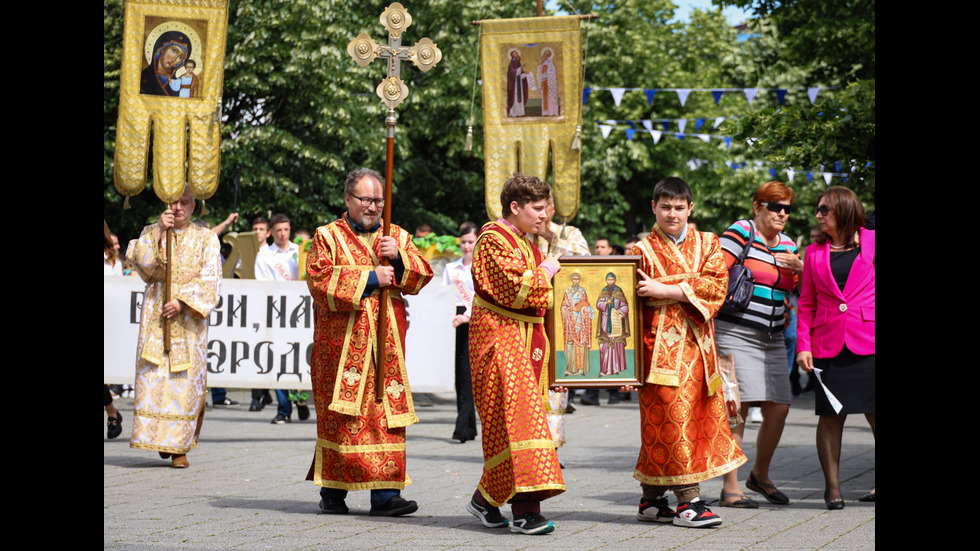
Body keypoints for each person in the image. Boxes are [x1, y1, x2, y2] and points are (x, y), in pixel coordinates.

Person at [305, 168, 433, 516]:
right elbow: (318, 280)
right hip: (341, 346)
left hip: (386, 348)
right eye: (366, 199)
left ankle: (386, 495)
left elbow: (421, 277)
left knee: (386, 415)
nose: (374, 207)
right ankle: (333, 491)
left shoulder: (397, 236)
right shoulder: (327, 236)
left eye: (379, 200)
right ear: (348, 200)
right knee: (342, 418)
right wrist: (370, 277)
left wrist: (402, 258)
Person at [624, 177, 745, 528]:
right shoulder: (640, 250)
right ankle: (689, 501)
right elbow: (629, 308)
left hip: (700, 351)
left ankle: (651, 500)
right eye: (665, 207)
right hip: (657, 353)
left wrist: (665, 288)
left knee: (690, 424)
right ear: (654, 208)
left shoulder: (709, 243)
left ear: (690, 209)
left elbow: (716, 287)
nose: (672, 214)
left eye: (679, 208)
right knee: (668, 423)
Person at [467, 173, 564, 535]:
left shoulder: (525, 242)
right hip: (499, 343)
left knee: (514, 426)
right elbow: (516, 289)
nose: (544, 215)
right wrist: (547, 269)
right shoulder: (492, 239)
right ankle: (526, 511)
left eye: (545, 208)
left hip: (523, 343)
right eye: (537, 209)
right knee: (521, 425)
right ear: (515, 207)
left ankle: (484, 500)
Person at [715, 181, 803, 508]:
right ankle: (730, 487)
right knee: (737, 407)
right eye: (774, 205)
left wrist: (801, 270)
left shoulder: (789, 245)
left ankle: (760, 475)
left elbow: (796, 290)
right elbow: (715, 271)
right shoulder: (742, 231)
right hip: (734, 331)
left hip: (773, 338)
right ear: (757, 206)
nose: (781, 213)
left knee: (779, 406)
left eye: (786, 208)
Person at [127, 188, 221, 468]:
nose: (178, 208)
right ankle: (158, 438)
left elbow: (211, 278)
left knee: (185, 383)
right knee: (155, 378)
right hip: (156, 316)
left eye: (184, 203)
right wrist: (158, 230)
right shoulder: (153, 230)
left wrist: (182, 301)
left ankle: (179, 447)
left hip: (188, 321)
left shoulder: (206, 237)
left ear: (194, 207)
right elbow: (140, 262)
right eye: (174, 203)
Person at [795, 186, 875, 509]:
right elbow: (806, 302)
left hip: (869, 341)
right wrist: (803, 346)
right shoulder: (814, 253)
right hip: (827, 344)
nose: (818, 215)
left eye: (824, 209)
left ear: (843, 210)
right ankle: (833, 489)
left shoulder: (873, 242)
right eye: (818, 209)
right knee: (830, 416)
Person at [254, 213, 308, 423]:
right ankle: (284, 409)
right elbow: (262, 285)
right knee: (278, 360)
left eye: (286, 229)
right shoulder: (265, 255)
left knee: (300, 359)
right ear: (271, 232)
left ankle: (301, 399)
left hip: (299, 313)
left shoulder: (300, 251)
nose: (283, 234)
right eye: (279, 230)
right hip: (277, 313)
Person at [443, 221, 478, 443]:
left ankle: (461, 428)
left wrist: (468, 316)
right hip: (454, 321)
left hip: (473, 321)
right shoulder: (451, 269)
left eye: (470, 242)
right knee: (458, 375)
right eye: (463, 242)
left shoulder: (481, 268)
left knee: (467, 376)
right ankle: (469, 427)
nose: (466, 246)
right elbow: (444, 297)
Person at [595, 272, 630, 377]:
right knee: (604, 344)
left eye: (612, 280)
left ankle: (614, 369)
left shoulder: (619, 291)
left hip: (616, 322)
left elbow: (625, 306)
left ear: (615, 280)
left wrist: (619, 311)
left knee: (615, 343)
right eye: (608, 280)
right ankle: (604, 369)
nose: (610, 282)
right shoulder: (604, 291)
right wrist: (606, 303)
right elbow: (598, 305)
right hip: (605, 322)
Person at [560, 272, 593, 376]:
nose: (575, 281)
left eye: (577, 279)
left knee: (580, 345)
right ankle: (570, 369)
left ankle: (580, 369)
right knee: (570, 344)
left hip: (580, 322)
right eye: (574, 279)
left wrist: (581, 309)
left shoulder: (582, 292)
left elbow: (586, 305)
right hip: (570, 322)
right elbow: (563, 307)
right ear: (571, 280)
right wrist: (570, 310)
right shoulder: (567, 292)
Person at [140, 31, 192, 97]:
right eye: (174, 50)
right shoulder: (142, 77)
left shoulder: (178, 83)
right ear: (162, 49)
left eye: (180, 57)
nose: (174, 59)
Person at [537, 48, 559, 116]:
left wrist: (547, 73)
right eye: (545, 54)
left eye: (547, 54)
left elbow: (553, 72)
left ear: (549, 55)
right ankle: (546, 112)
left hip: (550, 83)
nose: (545, 55)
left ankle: (552, 112)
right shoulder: (543, 64)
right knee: (545, 98)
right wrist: (538, 66)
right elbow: (540, 73)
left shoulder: (550, 63)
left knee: (551, 98)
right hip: (544, 82)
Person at [506, 50, 529, 117]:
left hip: (519, 84)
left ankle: (520, 113)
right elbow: (512, 73)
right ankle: (514, 113)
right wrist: (520, 68)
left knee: (520, 97)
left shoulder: (518, 63)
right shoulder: (512, 63)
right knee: (515, 98)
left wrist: (525, 74)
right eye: (515, 54)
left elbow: (520, 74)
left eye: (517, 53)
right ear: (512, 56)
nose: (516, 55)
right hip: (515, 85)